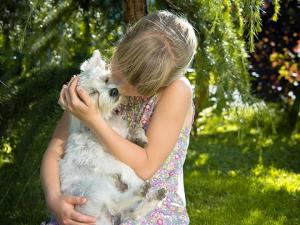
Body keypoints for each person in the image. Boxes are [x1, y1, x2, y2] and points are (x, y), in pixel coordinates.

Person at [40, 10, 198, 225]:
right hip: (93, 205)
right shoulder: (97, 81)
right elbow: (57, 147)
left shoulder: (176, 92)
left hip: (147, 213)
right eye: (118, 68)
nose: (117, 85)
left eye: (135, 85)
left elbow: (146, 166)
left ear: (162, 83)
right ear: (122, 44)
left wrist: (93, 120)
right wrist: (54, 199)